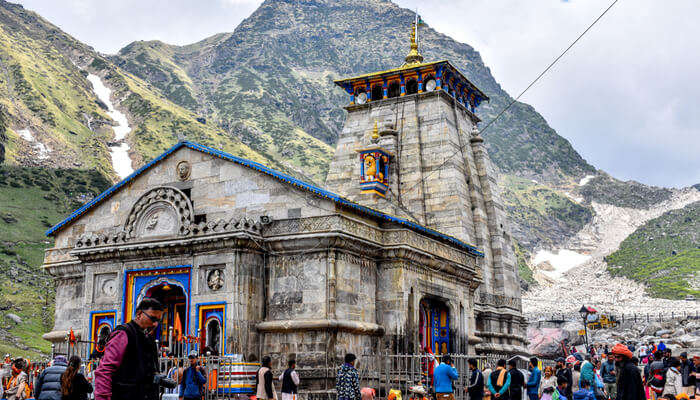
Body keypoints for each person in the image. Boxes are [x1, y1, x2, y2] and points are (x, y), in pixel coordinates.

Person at [94, 297, 164, 400]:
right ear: (139, 314)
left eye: (158, 320)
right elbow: (105, 370)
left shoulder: (148, 338)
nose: (155, 324)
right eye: (152, 318)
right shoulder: (124, 334)